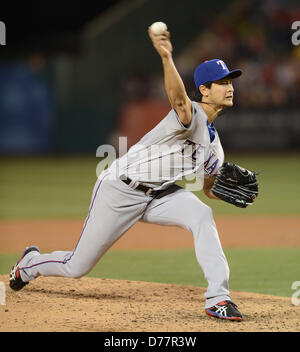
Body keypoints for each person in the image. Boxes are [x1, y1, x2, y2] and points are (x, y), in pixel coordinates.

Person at [10, 27, 244, 321]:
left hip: (161, 194)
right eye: (221, 82)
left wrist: (223, 190)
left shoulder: (215, 148)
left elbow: (209, 187)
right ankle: (29, 264)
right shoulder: (190, 115)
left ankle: (218, 298)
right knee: (77, 266)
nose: (230, 86)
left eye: (230, 80)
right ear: (205, 90)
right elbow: (179, 99)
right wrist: (166, 56)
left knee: (202, 215)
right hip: (120, 189)